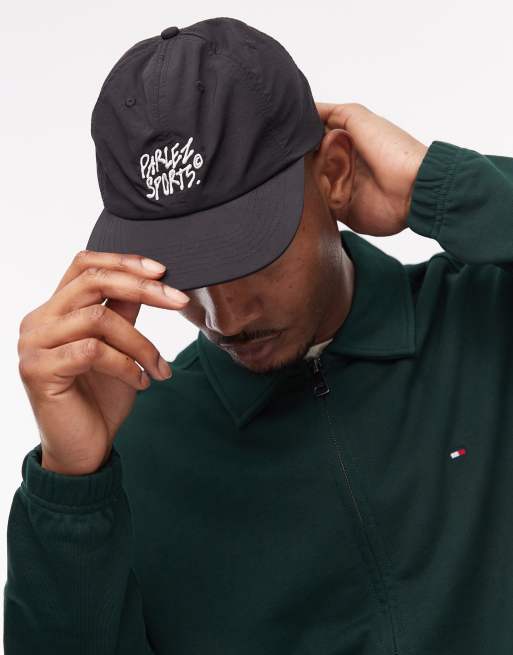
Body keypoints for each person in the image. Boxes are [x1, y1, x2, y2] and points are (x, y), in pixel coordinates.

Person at [5, 16, 513, 655]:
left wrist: (438, 187)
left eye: (249, 254)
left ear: (333, 174)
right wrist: (72, 492)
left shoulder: (486, 315)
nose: (224, 318)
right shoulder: (135, 454)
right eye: (180, 272)